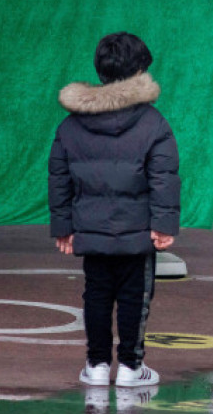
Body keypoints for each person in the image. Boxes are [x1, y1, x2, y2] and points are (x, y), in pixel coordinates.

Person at [49, 32, 180, 387]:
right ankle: (130, 368)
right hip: (137, 234)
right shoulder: (154, 124)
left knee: (96, 293)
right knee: (135, 297)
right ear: (139, 71)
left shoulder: (70, 125)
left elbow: (59, 179)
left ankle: (95, 365)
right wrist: (164, 224)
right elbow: (164, 178)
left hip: (90, 231)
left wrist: (63, 226)